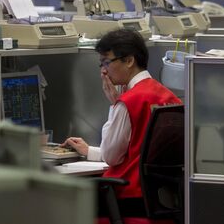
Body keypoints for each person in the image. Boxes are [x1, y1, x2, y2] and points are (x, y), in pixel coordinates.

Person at [62, 28, 182, 216]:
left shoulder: (129, 102)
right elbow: (136, 151)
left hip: (129, 199)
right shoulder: (169, 97)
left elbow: (112, 157)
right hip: (161, 202)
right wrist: (90, 152)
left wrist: (115, 105)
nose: (103, 70)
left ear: (129, 60)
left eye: (106, 62)